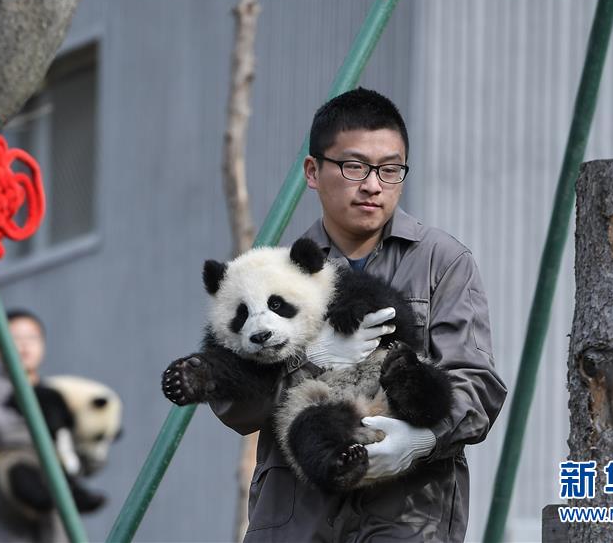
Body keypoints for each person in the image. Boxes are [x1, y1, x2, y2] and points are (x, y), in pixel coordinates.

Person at [212, 88, 508, 542]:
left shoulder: (442, 261)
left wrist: (423, 440)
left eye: (390, 170)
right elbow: (235, 407)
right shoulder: (272, 274)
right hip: (297, 518)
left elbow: (478, 384)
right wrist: (306, 361)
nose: (373, 184)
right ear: (313, 171)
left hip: (408, 517)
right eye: (355, 166)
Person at [0, 309, 67, 543]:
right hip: (5, 519)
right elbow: (0, 429)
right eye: (14, 339)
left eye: (31, 338)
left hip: (53, 515)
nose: (24, 346)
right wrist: (51, 428)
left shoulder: (57, 395)